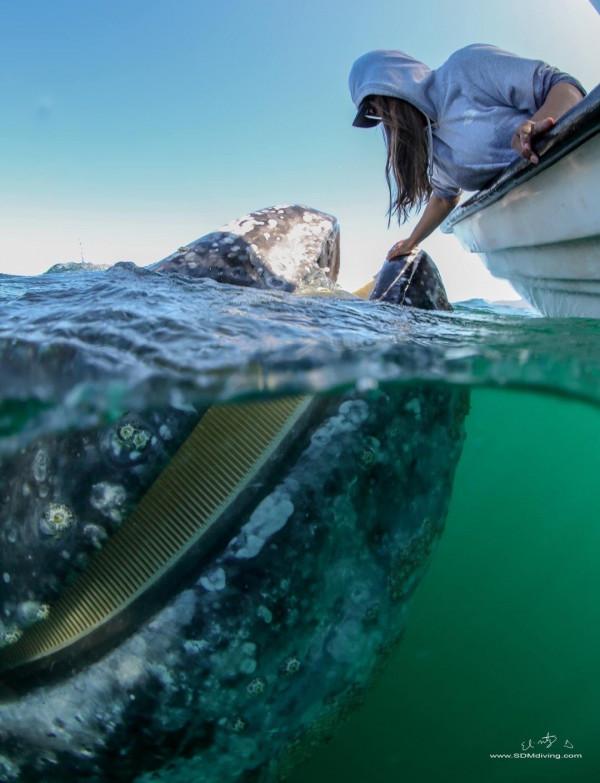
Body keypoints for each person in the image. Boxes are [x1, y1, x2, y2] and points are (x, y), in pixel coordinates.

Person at [348, 44, 586, 260]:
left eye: (376, 100)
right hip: (536, 220)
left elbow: (563, 85)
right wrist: (411, 242)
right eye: (371, 111)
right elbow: (444, 198)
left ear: (397, 80)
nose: (381, 115)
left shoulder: (465, 68)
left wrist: (540, 122)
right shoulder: (435, 152)